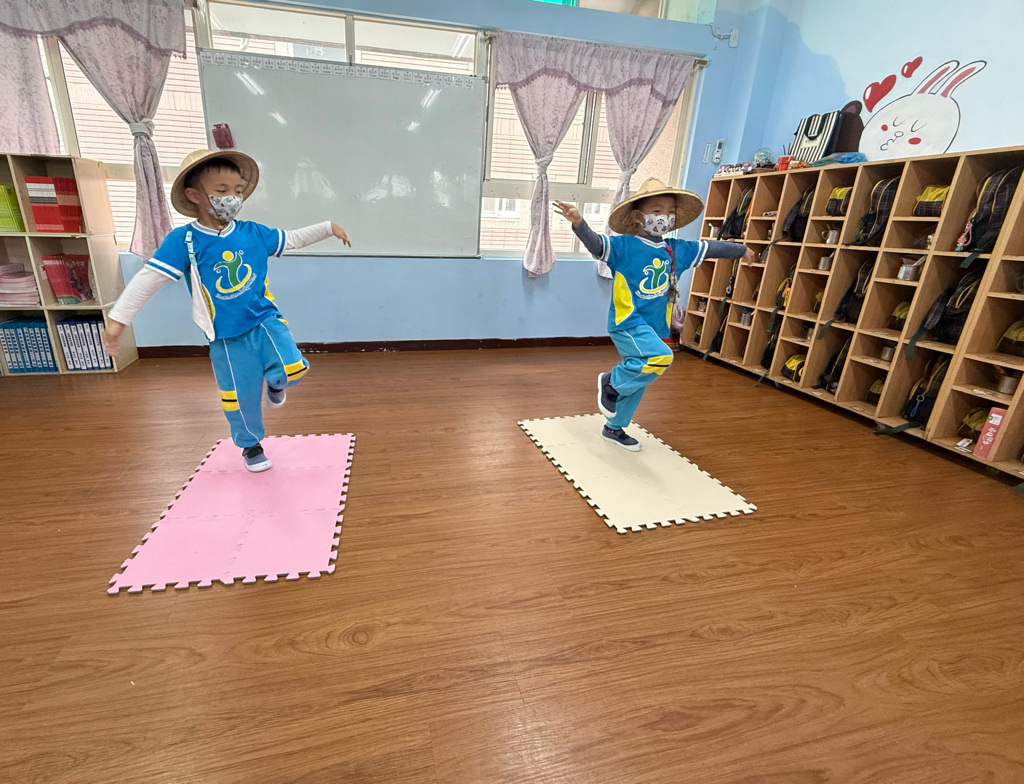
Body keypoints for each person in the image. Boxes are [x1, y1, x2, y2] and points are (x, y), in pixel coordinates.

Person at [103, 149, 352, 472]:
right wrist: (118, 321)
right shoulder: (185, 240)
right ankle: (251, 446)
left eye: (237, 191)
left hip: (264, 320)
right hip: (225, 337)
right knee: (239, 397)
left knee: (293, 368)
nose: (232, 198)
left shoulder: (253, 232)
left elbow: (291, 239)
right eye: (221, 191)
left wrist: (328, 227)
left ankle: (276, 383)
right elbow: (149, 278)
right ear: (195, 195)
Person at [554, 177, 754, 451]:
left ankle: (614, 427)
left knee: (640, 378)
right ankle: (611, 383)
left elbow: (710, 248)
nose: (664, 217)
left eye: (670, 212)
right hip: (628, 322)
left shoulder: (676, 250)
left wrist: (742, 250)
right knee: (661, 358)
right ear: (638, 216)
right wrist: (579, 223)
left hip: (653, 327)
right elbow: (598, 245)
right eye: (657, 210)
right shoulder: (624, 246)